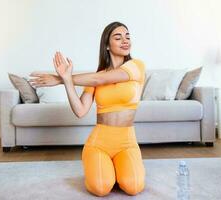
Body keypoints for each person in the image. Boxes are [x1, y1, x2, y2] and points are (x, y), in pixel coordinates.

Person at [29, 21, 146, 197]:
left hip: (127, 143)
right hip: (99, 143)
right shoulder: (96, 76)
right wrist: (67, 82)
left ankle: (115, 170)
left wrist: (59, 79)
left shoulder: (136, 66)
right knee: (101, 188)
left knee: (134, 186)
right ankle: (103, 168)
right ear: (107, 44)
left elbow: (101, 80)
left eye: (128, 36)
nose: (125, 41)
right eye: (118, 37)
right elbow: (80, 111)